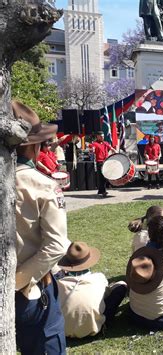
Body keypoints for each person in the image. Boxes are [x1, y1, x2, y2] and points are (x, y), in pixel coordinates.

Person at [14, 101, 69, 354]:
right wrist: (18, 281)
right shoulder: (42, 185)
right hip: (30, 290)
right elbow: (57, 244)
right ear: (34, 146)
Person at [57, 242, 128, 338]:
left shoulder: (58, 284)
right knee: (121, 286)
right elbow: (106, 295)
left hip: (62, 329)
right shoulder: (99, 278)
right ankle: (103, 322)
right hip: (94, 328)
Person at [90, 131, 117, 197]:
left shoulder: (105, 143)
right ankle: (103, 191)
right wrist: (92, 150)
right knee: (102, 177)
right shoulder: (95, 144)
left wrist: (115, 152)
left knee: (105, 176)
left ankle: (100, 190)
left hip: (106, 162)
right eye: (101, 136)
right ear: (97, 137)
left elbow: (111, 148)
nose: (102, 137)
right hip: (100, 162)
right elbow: (92, 149)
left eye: (103, 136)